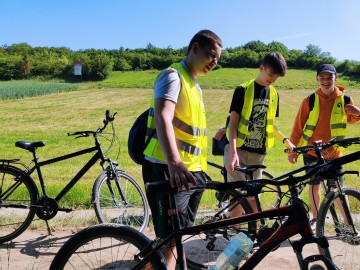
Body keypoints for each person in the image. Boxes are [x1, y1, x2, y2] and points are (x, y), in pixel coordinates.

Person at [142, 29, 222, 269]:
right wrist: (174, 161)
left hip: (191, 172)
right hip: (168, 168)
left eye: (217, 59)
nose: (214, 62)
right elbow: (162, 118)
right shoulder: (173, 76)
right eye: (211, 55)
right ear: (195, 48)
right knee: (167, 237)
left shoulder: (194, 85)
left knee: (177, 235)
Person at [287, 63, 360, 230]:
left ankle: (349, 226)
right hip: (312, 152)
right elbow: (298, 127)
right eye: (322, 78)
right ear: (317, 78)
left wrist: (358, 113)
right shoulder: (310, 100)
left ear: (336, 78)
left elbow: (352, 119)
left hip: (335, 154)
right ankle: (316, 220)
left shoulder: (345, 99)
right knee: (314, 186)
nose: (326, 81)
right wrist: (292, 150)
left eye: (329, 77)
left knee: (339, 189)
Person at [224, 52, 294, 214]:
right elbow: (233, 124)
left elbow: (270, 125)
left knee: (254, 196)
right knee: (237, 195)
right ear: (261, 68)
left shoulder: (274, 94)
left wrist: (285, 141)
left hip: (258, 153)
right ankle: (234, 233)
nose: (273, 79)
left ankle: (252, 233)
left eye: (277, 77)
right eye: (271, 74)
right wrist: (233, 152)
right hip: (238, 150)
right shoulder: (242, 90)